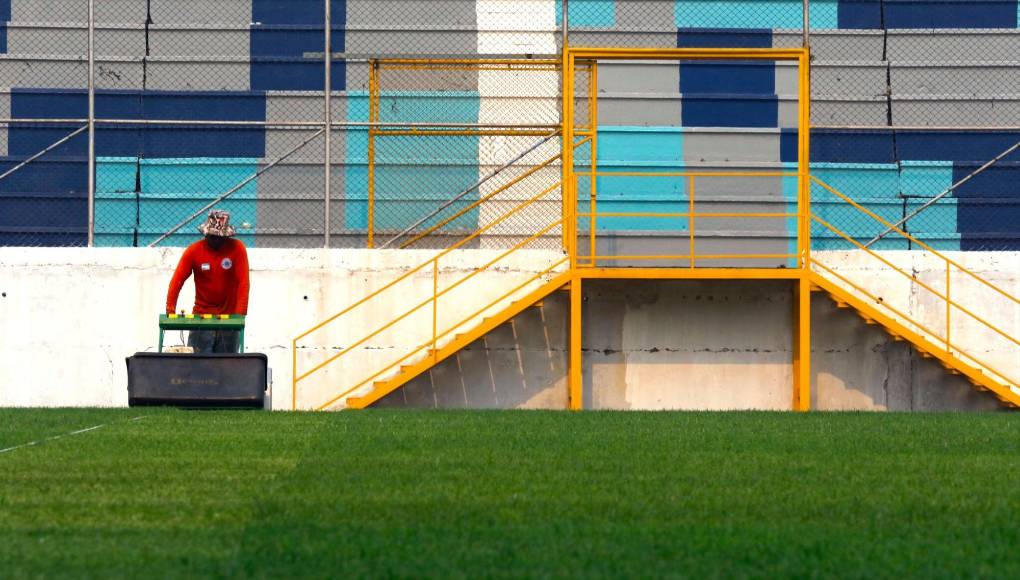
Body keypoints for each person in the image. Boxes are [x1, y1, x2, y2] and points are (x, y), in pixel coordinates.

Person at [166, 210, 250, 354]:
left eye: (219, 237)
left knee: (227, 364)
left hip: (229, 319)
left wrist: (239, 316)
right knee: (197, 364)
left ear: (226, 236)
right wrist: (170, 310)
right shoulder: (193, 251)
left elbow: (243, 283)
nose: (216, 240)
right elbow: (177, 281)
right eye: (212, 236)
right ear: (206, 234)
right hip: (201, 318)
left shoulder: (237, 249)